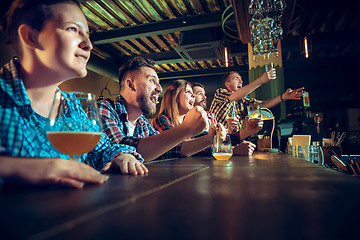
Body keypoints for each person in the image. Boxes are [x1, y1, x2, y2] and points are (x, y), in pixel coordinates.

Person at [0, 0, 147, 188]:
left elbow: (102, 149)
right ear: (29, 37)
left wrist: (122, 156)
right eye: (72, 29)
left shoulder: (71, 106)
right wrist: (21, 168)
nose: (88, 45)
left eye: (87, 35)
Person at [98, 57, 208, 161]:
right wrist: (186, 129)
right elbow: (121, 148)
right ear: (131, 85)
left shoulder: (142, 122)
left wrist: (211, 139)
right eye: (152, 81)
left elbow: (171, 148)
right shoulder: (104, 109)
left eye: (159, 83)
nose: (160, 89)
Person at [209, 70, 304, 132]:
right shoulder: (220, 93)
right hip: (216, 137)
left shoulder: (242, 101)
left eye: (241, 80)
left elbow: (262, 104)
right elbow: (235, 97)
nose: (241, 82)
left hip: (233, 138)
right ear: (227, 84)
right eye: (236, 79)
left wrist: (283, 97)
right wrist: (261, 80)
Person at [152, 79, 227, 156]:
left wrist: (216, 135)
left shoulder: (189, 121)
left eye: (193, 93)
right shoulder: (161, 119)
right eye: (188, 91)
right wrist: (212, 140)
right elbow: (174, 147)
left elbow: (204, 142)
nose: (194, 95)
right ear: (176, 97)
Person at [192, 82, 258, 155]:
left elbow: (219, 141)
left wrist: (248, 130)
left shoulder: (210, 115)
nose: (205, 97)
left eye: (204, 94)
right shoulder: (185, 117)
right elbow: (192, 147)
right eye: (200, 94)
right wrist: (233, 150)